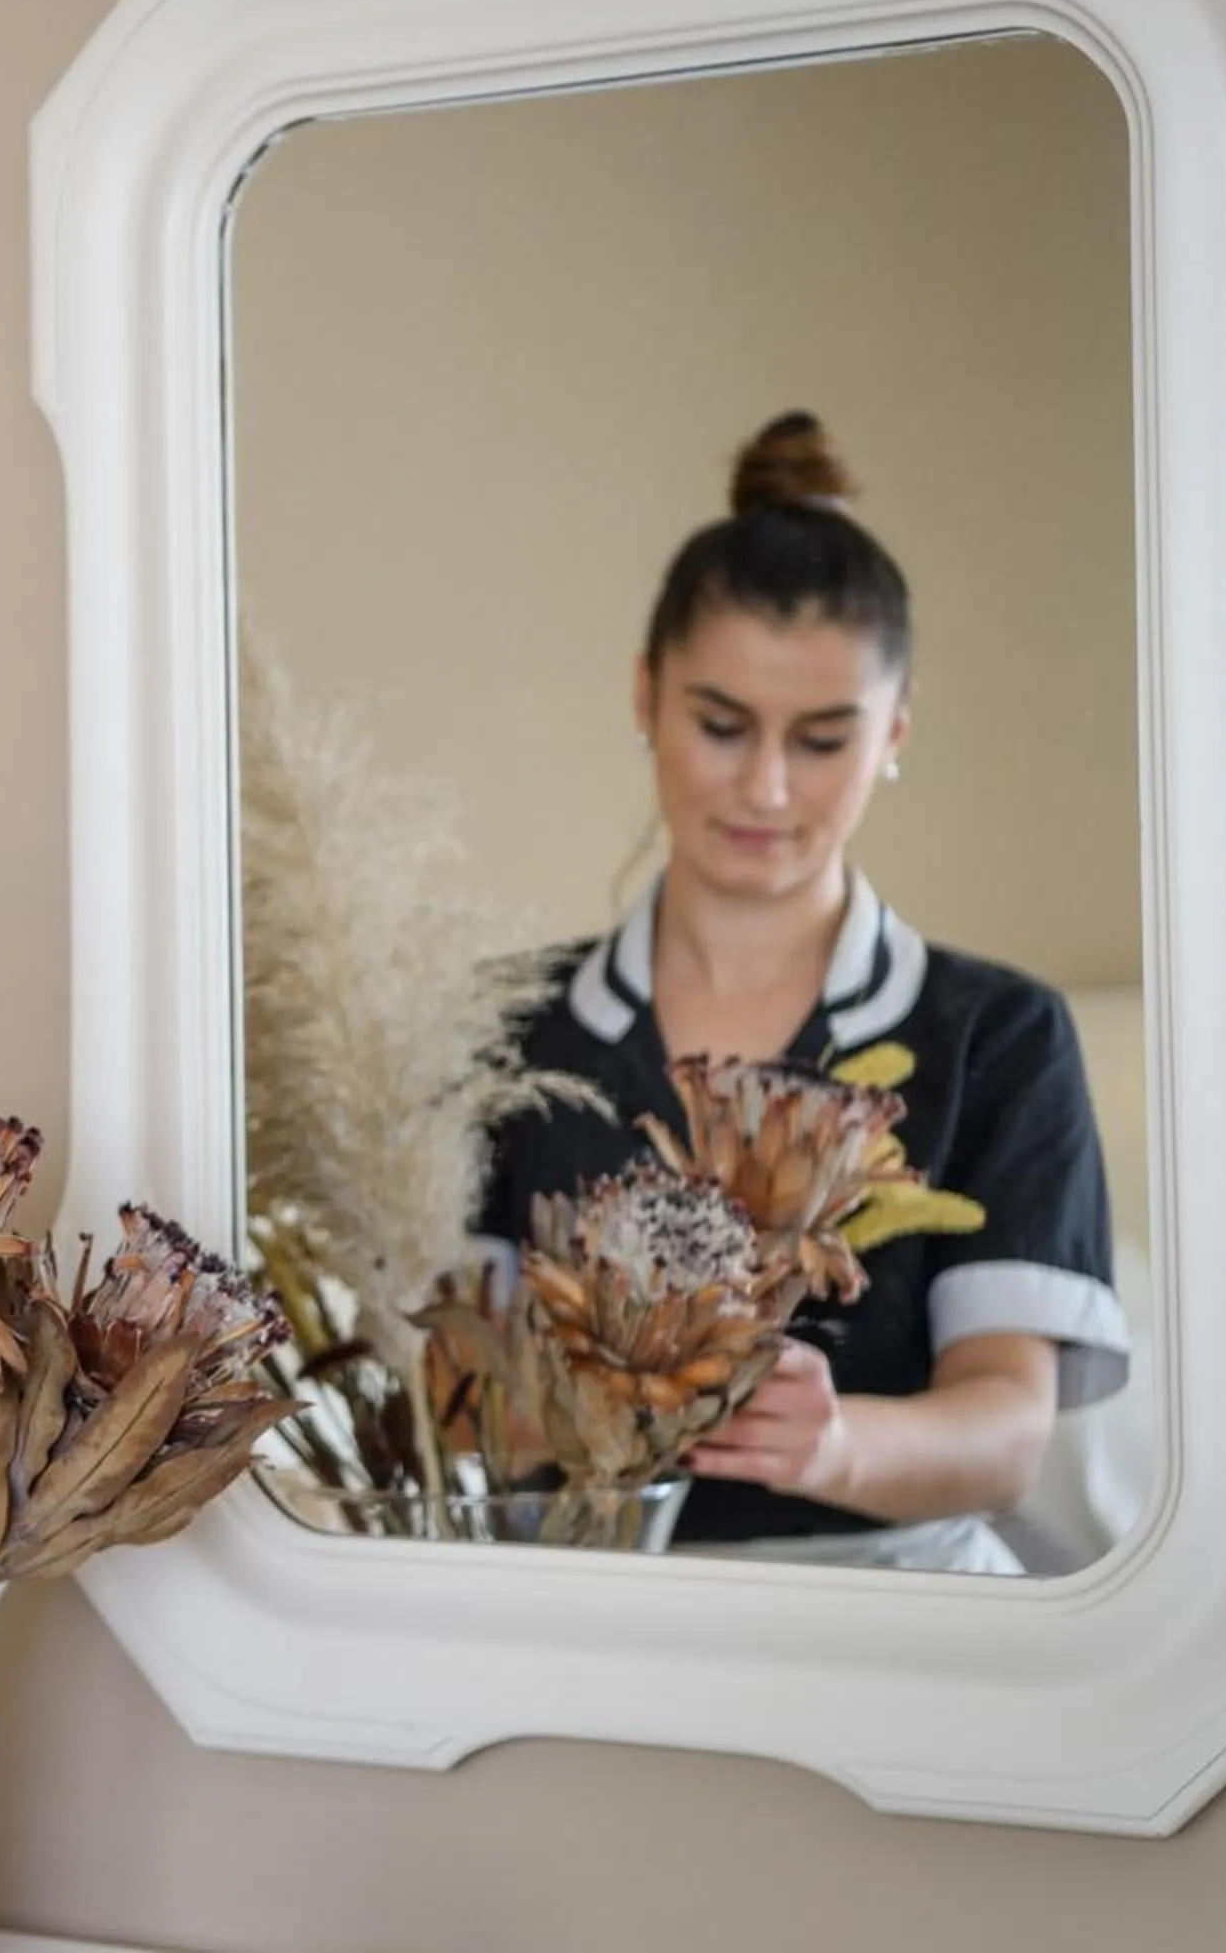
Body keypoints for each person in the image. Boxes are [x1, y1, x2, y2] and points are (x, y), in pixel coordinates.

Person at [474, 412, 1131, 1575]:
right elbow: (445, 1392)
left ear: (897, 730)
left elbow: (1008, 1431)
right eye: (720, 725)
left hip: (899, 1620)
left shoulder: (996, 1036)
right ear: (645, 695)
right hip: (573, 1608)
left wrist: (837, 1446)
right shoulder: (502, 1028)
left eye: (823, 738)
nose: (767, 787)